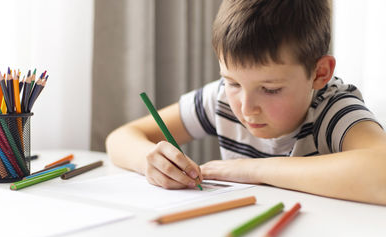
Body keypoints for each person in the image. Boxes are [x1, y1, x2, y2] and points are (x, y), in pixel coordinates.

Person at [106, 0, 386, 205]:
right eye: (233, 82)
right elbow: (121, 138)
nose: (245, 106)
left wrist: (255, 170)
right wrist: (151, 162)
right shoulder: (221, 99)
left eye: (270, 89)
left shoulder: (332, 110)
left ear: (319, 73)